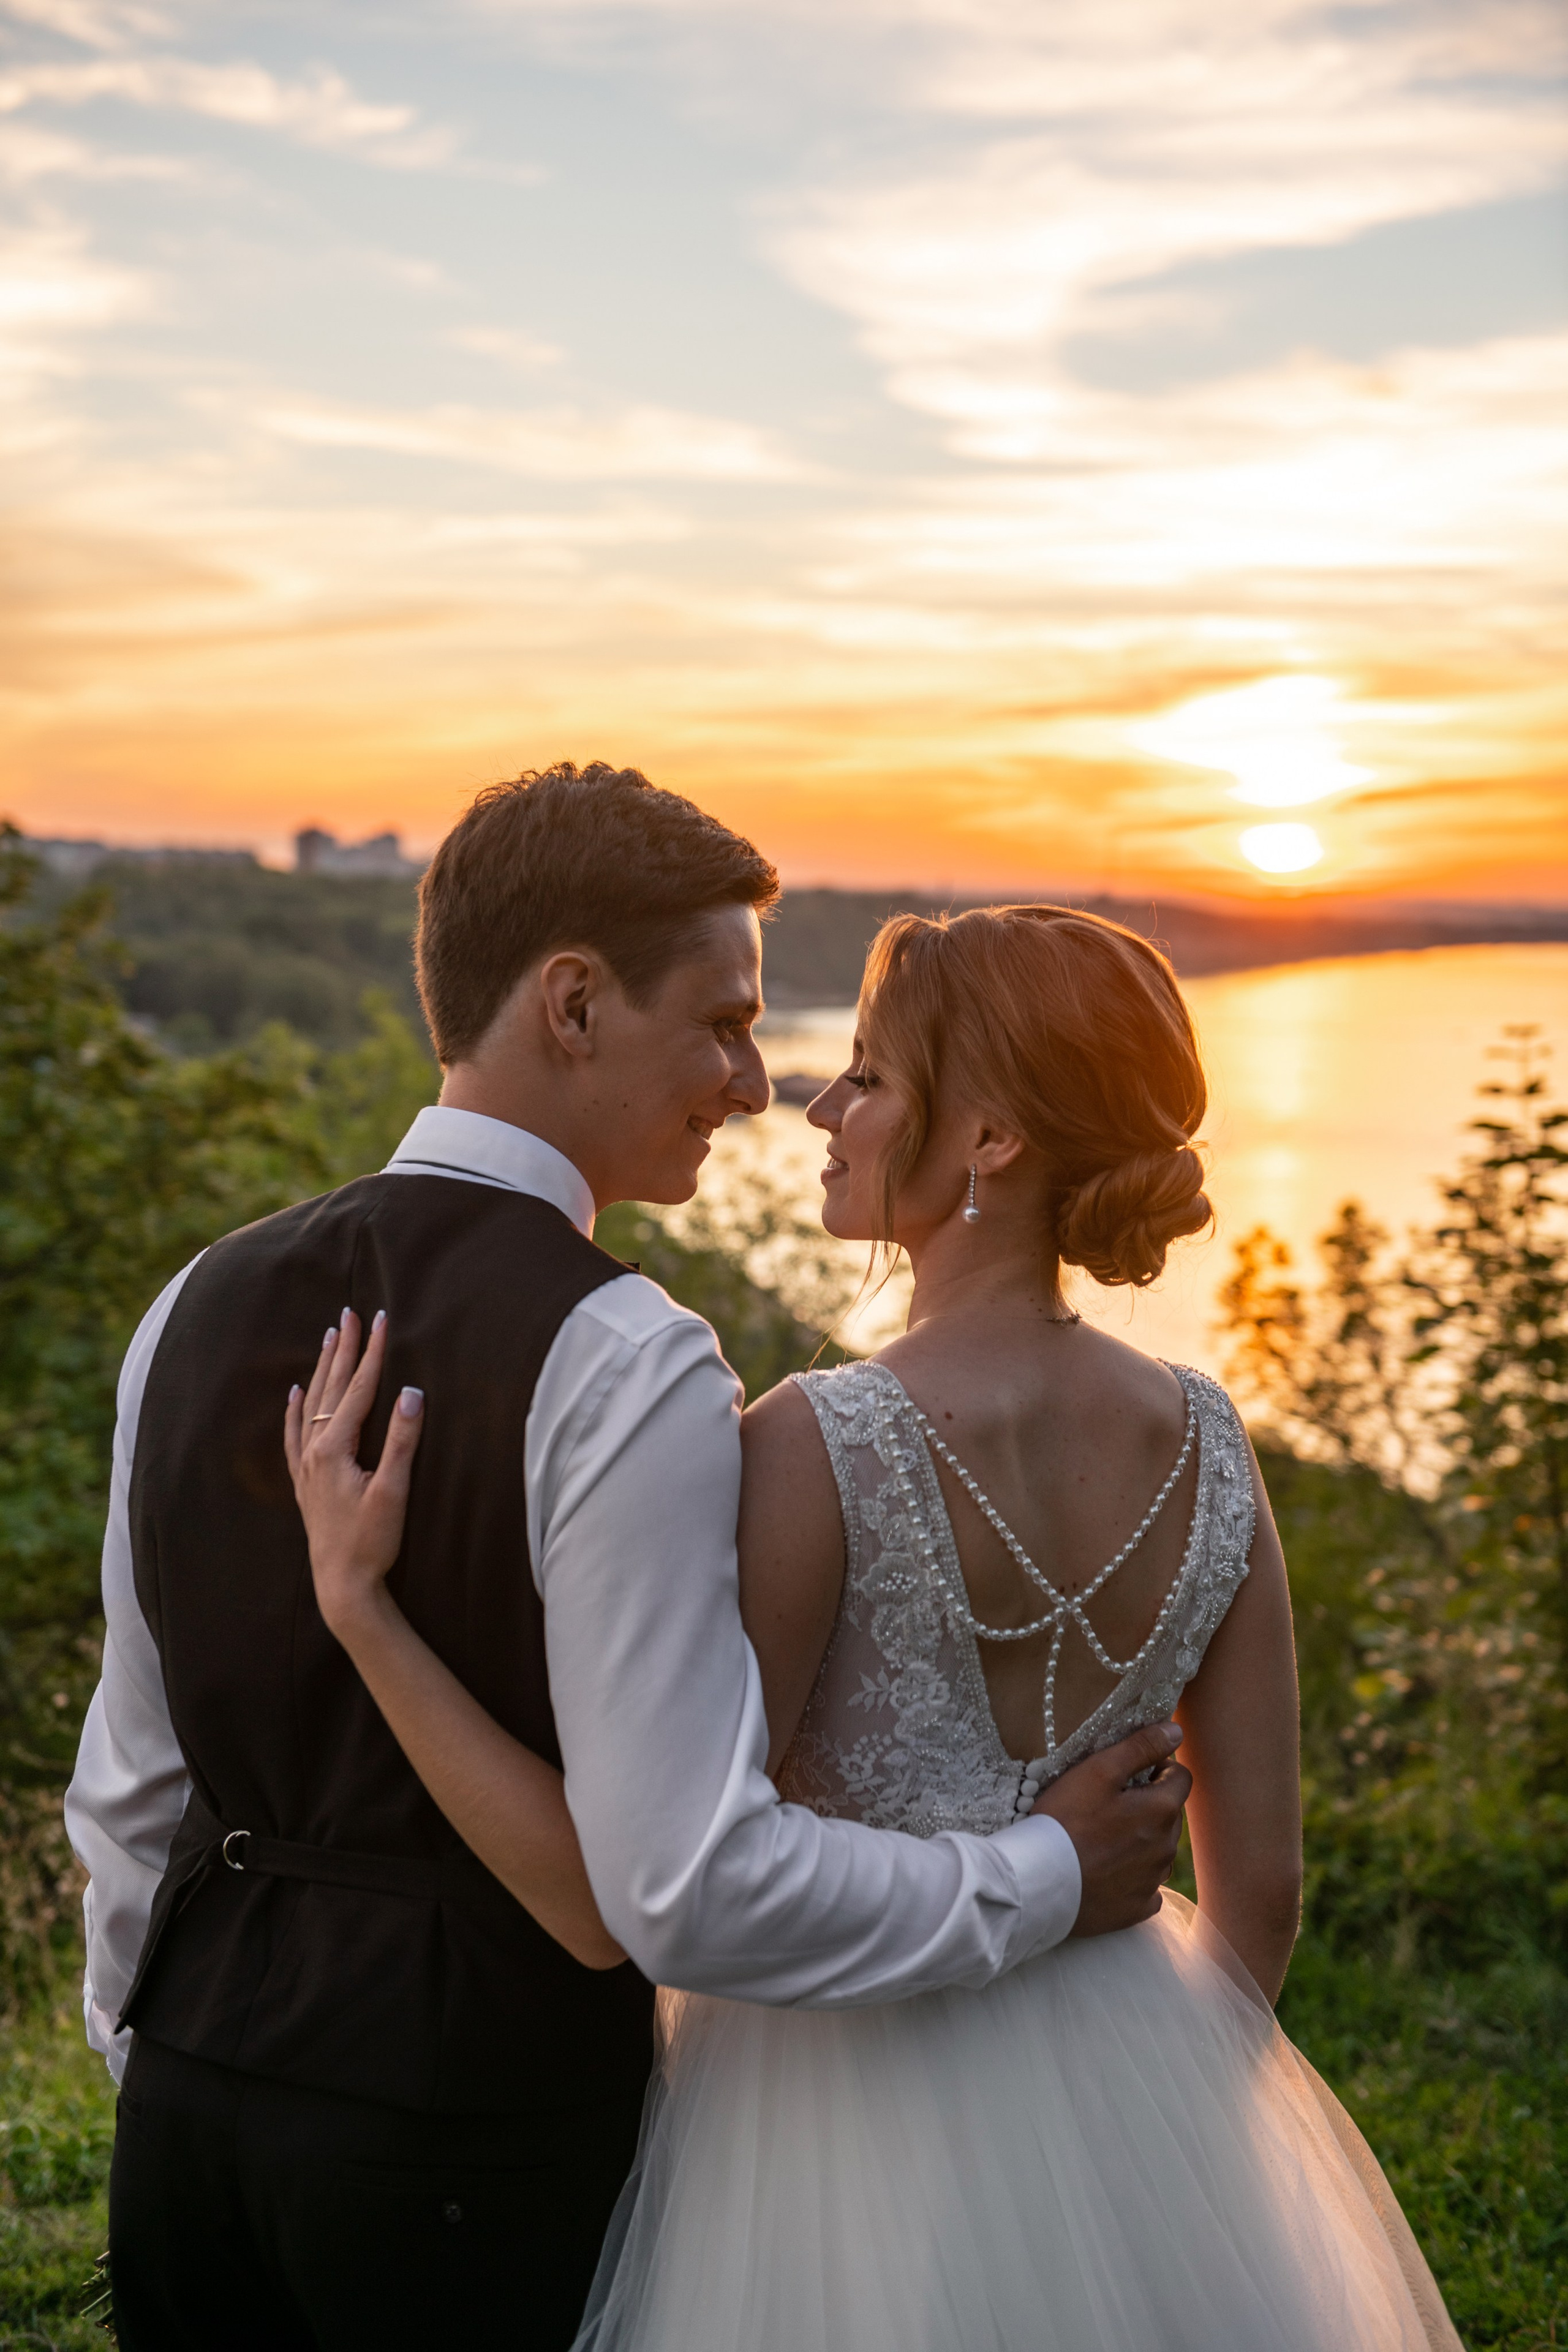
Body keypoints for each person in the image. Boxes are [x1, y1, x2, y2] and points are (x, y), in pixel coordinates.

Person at [64, 767, 1189, 2352]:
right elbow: (688, 1887)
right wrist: (1047, 1874)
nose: (750, 1082)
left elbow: (130, 1788)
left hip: (187, 2137)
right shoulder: (621, 1355)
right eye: (723, 1024)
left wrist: (164, 2062)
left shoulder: (194, 1303)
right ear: (573, 1004)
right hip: (462, 2156)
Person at [286, 900, 1463, 2352]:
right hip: (1143, 2055)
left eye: (869, 1075)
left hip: (828, 2106)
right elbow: (1260, 1893)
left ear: (990, 1142)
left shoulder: (815, 1442)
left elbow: (684, 1871)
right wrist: (1163, 2127)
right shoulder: (1216, 1446)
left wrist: (366, 1614)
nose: (820, 1109)